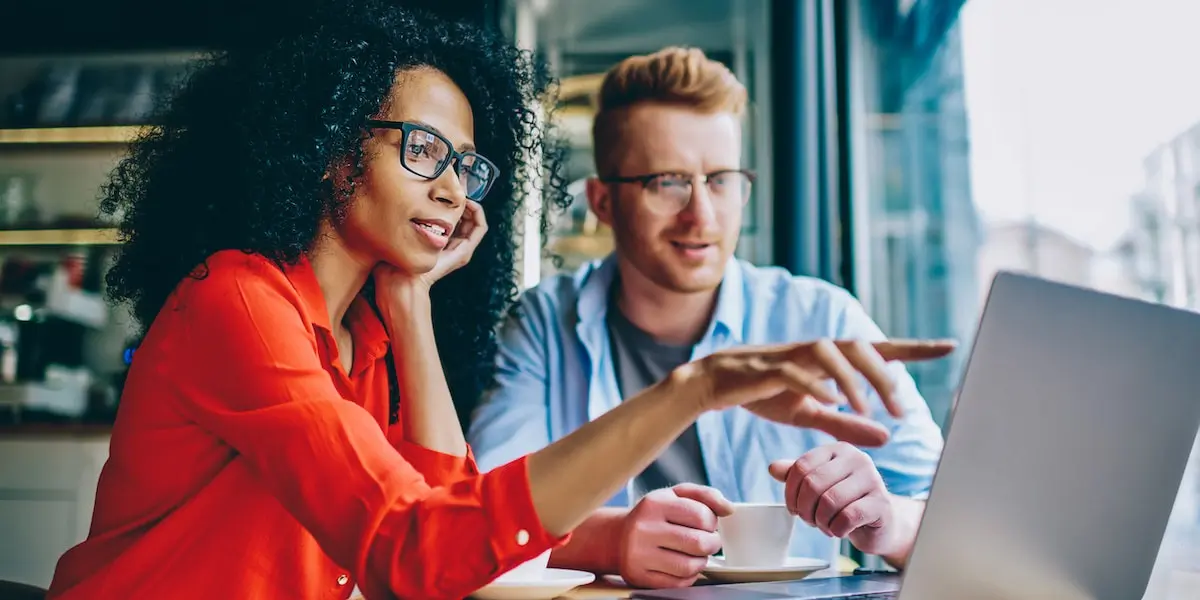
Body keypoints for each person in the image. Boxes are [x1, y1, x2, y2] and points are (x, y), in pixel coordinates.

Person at [44, 5, 954, 600]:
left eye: (466, 164)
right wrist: (694, 388)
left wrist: (408, 306)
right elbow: (415, 551)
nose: (453, 189)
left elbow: (445, 513)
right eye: (421, 150)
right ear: (327, 150)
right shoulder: (238, 302)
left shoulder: (363, 334)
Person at [468, 46, 949, 589]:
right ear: (603, 202)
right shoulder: (544, 323)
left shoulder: (820, 317)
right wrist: (611, 539)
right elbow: (479, 517)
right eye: (667, 182)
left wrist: (887, 522)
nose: (702, 214)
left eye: (721, 180)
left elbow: (955, 518)